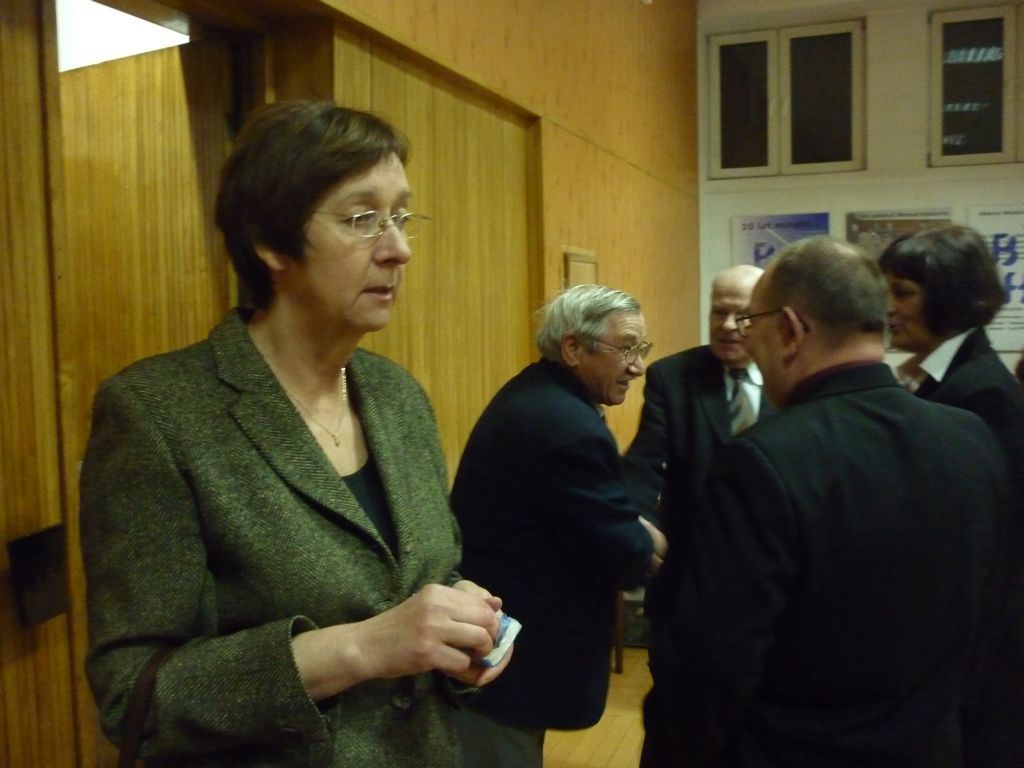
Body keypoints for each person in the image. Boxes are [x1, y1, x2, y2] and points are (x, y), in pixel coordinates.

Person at [79, 101, 510, 768]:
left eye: (401, 216)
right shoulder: (158, 414)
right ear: (270, 243)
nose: (398, 248)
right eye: (361, 219)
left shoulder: (398, 396)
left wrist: (459, 624)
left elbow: (421, 575)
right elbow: (135, 696)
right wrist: (361, 648)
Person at [642, 236, 1007, 767]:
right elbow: (987, 615)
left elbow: (712, 667)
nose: (749, 341)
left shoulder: (763, 460)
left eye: (754, 323)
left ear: (790, 330)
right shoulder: (970, 436)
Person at [451, 284, 667, 768]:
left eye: (642, 348)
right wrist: (650, 540)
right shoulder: (567, 425)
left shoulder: (538, 394)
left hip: (508, 650)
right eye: (626, 348)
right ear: (573, 348)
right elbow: (623, 555)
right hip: (513, 663)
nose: (638, 366)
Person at [880, 224, 1024, 768]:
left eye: (903, 293)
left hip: (981, 655)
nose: (888, 309)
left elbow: (985, 544)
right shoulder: (943, 380)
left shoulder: (981, 393)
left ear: (949, 297)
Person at [623, 264, 773, 535]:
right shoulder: (673, 377)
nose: (727, 325)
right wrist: (641, 524)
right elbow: (644, 465)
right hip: (692, 541)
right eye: (719, 312)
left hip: (772, 538)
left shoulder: (789, 375)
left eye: (742, 315)